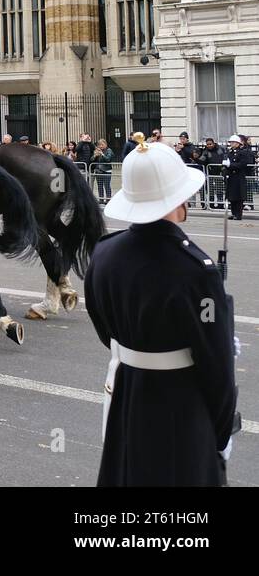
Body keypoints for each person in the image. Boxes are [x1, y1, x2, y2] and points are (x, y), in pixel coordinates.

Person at [87, 132, 238, 485]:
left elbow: (103, 328)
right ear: (177, 197)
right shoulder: (195, 270)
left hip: (126, 391)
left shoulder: (105, 252)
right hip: (181, 407)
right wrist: (219, 432)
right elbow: (217, 366)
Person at [222, 135, 254, 221]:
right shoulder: (230, 152)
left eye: (233, 142)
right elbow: (226, 164)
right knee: (232, 197)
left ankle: (238, 214)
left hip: (239, 177)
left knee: (238, 197)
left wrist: (230, 165)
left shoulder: (242, 152)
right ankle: (233, 213)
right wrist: (225, 169)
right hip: (231, 177)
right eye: (231, 142)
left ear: (238, 143)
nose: (231, 144)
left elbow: (242, 164)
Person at [91, 138, 114, 203]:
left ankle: (108, 199)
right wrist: (95, 155)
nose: (101, 146)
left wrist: (102, 154)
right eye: (99, 145)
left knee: (107, 186)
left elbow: (108, 159)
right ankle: (101, 199)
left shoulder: (109, 151)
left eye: (102, 145)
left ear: (106, 144)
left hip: (106, 171)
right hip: (98, 171)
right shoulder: (97, 151)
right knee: (100, 186)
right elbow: (91, 160)